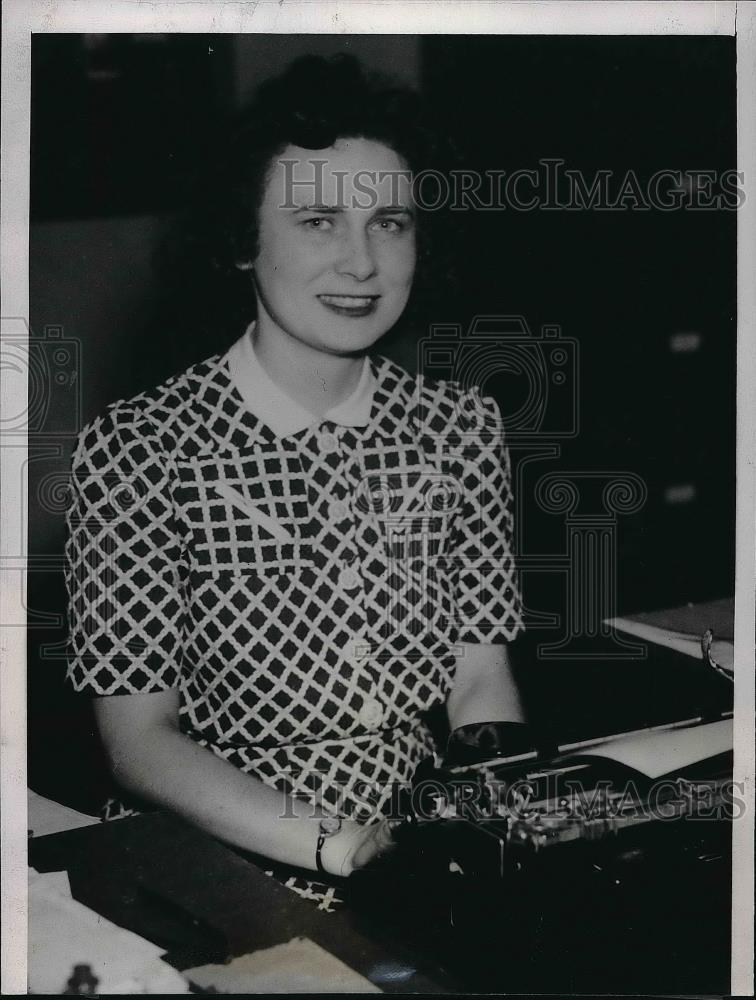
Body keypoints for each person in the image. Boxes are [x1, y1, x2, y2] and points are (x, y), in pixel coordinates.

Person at [64, 55, 528, 904]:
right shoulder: (140, 448)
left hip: (421, 850)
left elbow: (478, 675)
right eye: (318, 221)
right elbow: (140, 742)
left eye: (390, 223)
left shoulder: (462, 427)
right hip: (221, 865)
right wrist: (347, 847)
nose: (362, 263)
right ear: (243, 242)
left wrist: (499, 807)